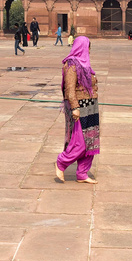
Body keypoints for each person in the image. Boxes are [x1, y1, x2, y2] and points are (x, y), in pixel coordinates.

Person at [55, 35, 101, 183]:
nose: (89, 51)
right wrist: (75, 107)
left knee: (91, 141)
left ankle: (82, 173)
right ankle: (61, 162)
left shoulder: (85, 65)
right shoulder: (71, 65)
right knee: (80, 142)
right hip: (79, 107)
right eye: (87, 47)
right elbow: (69, 89)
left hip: (91, 106)